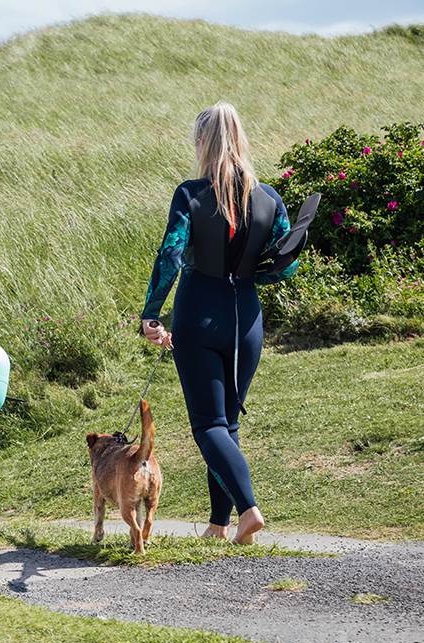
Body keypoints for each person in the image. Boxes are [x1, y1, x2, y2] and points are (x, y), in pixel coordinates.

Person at [140, 102, 298, 545]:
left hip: (198, 314)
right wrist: (254, 275)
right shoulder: (270, 198)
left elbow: (171, 254)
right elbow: (286, 264)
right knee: (226, 425)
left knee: (208, 426)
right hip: (246, 320)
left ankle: (248, 511)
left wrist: (151, 313)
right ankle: (219, 525)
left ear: (202, 142)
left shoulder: (190, 194)